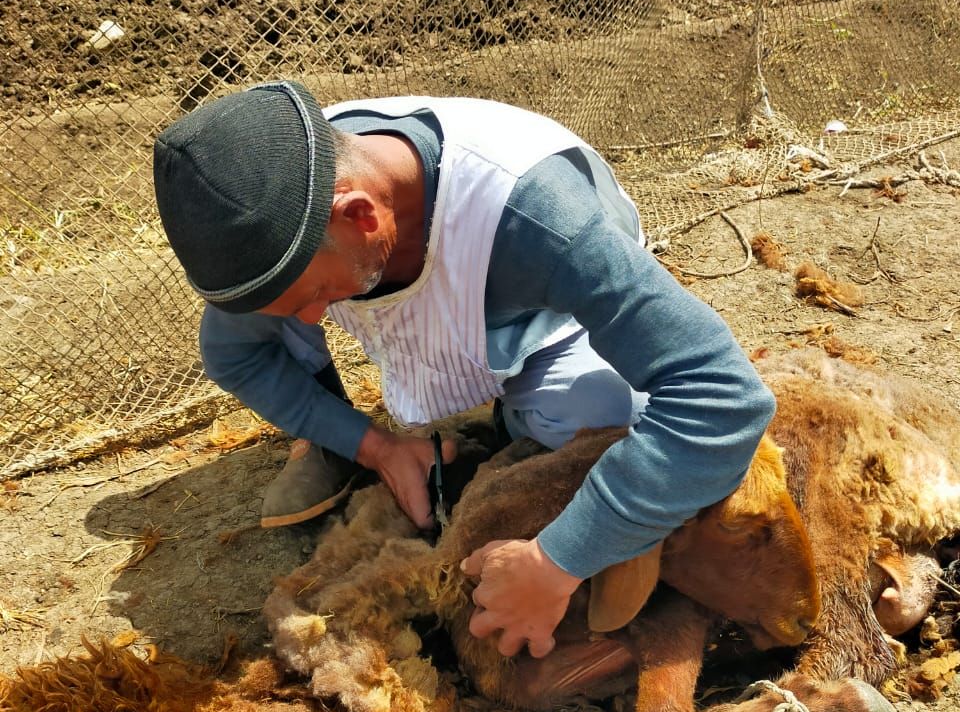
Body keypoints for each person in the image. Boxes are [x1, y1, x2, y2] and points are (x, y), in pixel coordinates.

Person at [153, 81, 775, 662]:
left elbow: (724, 398)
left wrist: (557, 561)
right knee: (281, 320)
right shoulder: (279, 218)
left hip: (538, 321)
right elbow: (236, 353)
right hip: (424, 316)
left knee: (604, 418)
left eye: (316, 296)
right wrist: (376, 447)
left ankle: (516, 410)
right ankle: (334, 438)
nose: (315, 320)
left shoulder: (540, 222)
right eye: (298, 304)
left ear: (361, 215)